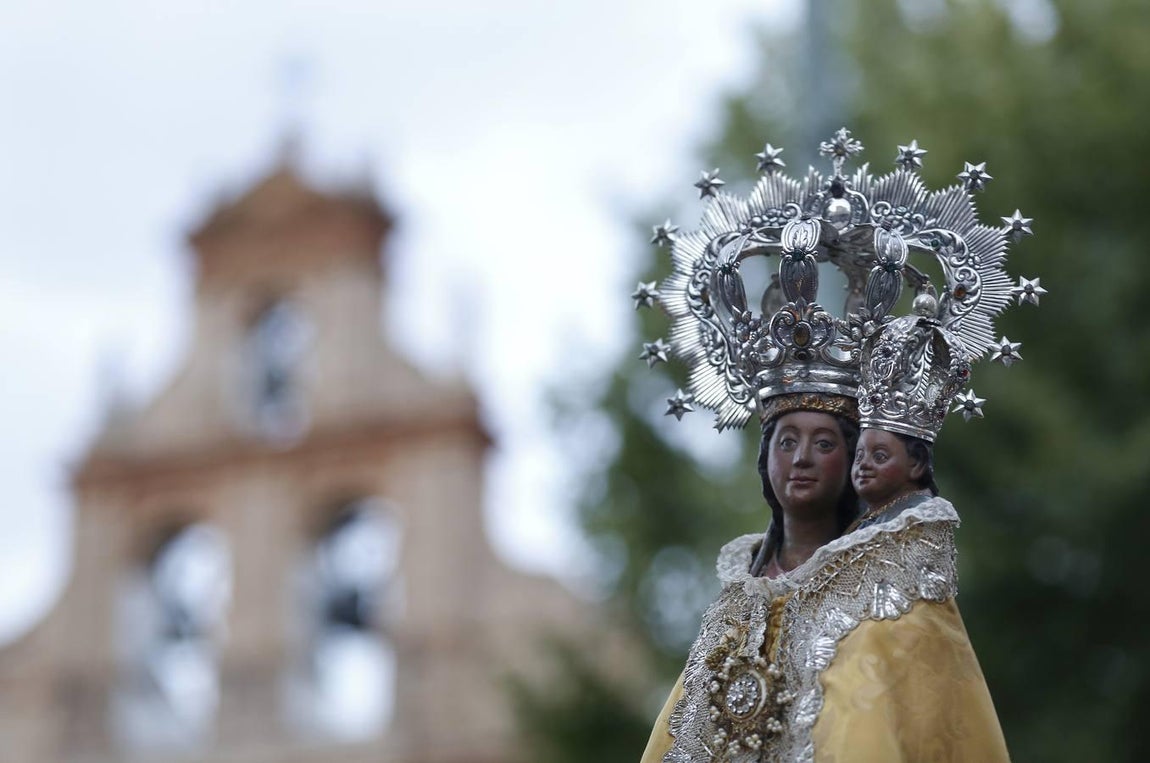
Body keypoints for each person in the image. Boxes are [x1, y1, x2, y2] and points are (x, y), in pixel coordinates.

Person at [640, 395, 1010, 762]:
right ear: (766, 456)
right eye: (786, 442)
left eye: (823, 443)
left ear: (852, 459)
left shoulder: (892, 590)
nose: (801, 458)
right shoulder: (740, 599)